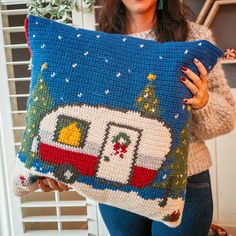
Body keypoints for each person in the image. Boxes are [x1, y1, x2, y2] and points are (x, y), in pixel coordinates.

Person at [37, 0, 236, 235]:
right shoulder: (97, 44)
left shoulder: (193, 37)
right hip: (114, 184)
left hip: (185, 184)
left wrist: (203, 103)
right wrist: (56, 169)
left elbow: (226, 120)